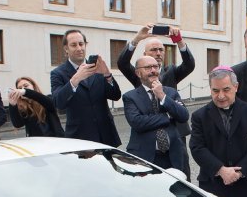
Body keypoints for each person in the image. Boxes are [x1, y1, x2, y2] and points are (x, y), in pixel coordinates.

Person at [117, 24, 195, 178]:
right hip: (148, 139)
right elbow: (123, 64)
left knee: (181, 175)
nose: (158, 53)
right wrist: (137, 39)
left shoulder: (171, 71)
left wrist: (179, 41)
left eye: (161, 50)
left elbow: (189, 65)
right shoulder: (139, 75)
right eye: (153, 50)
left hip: (175, 134)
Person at [189, 66, 247, 197]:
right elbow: (197, 147)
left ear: (236, 87)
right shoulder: (199, 116)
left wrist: (240, 171)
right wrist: (221, 170)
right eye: (215, 91)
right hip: (214, 184)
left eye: (226, 89)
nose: (221, 96)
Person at [50, 29, 122, 147]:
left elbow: (116, 96)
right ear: (66, 49)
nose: (79, 48)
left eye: (81, 44)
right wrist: (75, 80)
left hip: (107, 135)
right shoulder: (58, 73)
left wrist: (107, 75)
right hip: (80, 138)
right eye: (73, 45)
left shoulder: (97, 67)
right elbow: (59, 103)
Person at [122, 56, 189, 171]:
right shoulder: (130, 97)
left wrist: (162, 96)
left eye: (156, 67)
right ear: (138, 73)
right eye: (148, 67)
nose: (153, 70)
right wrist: (167, 116)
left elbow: (183, 116)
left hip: (173, 155)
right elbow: (138, 122)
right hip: (144, 156)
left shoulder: (171, 93)